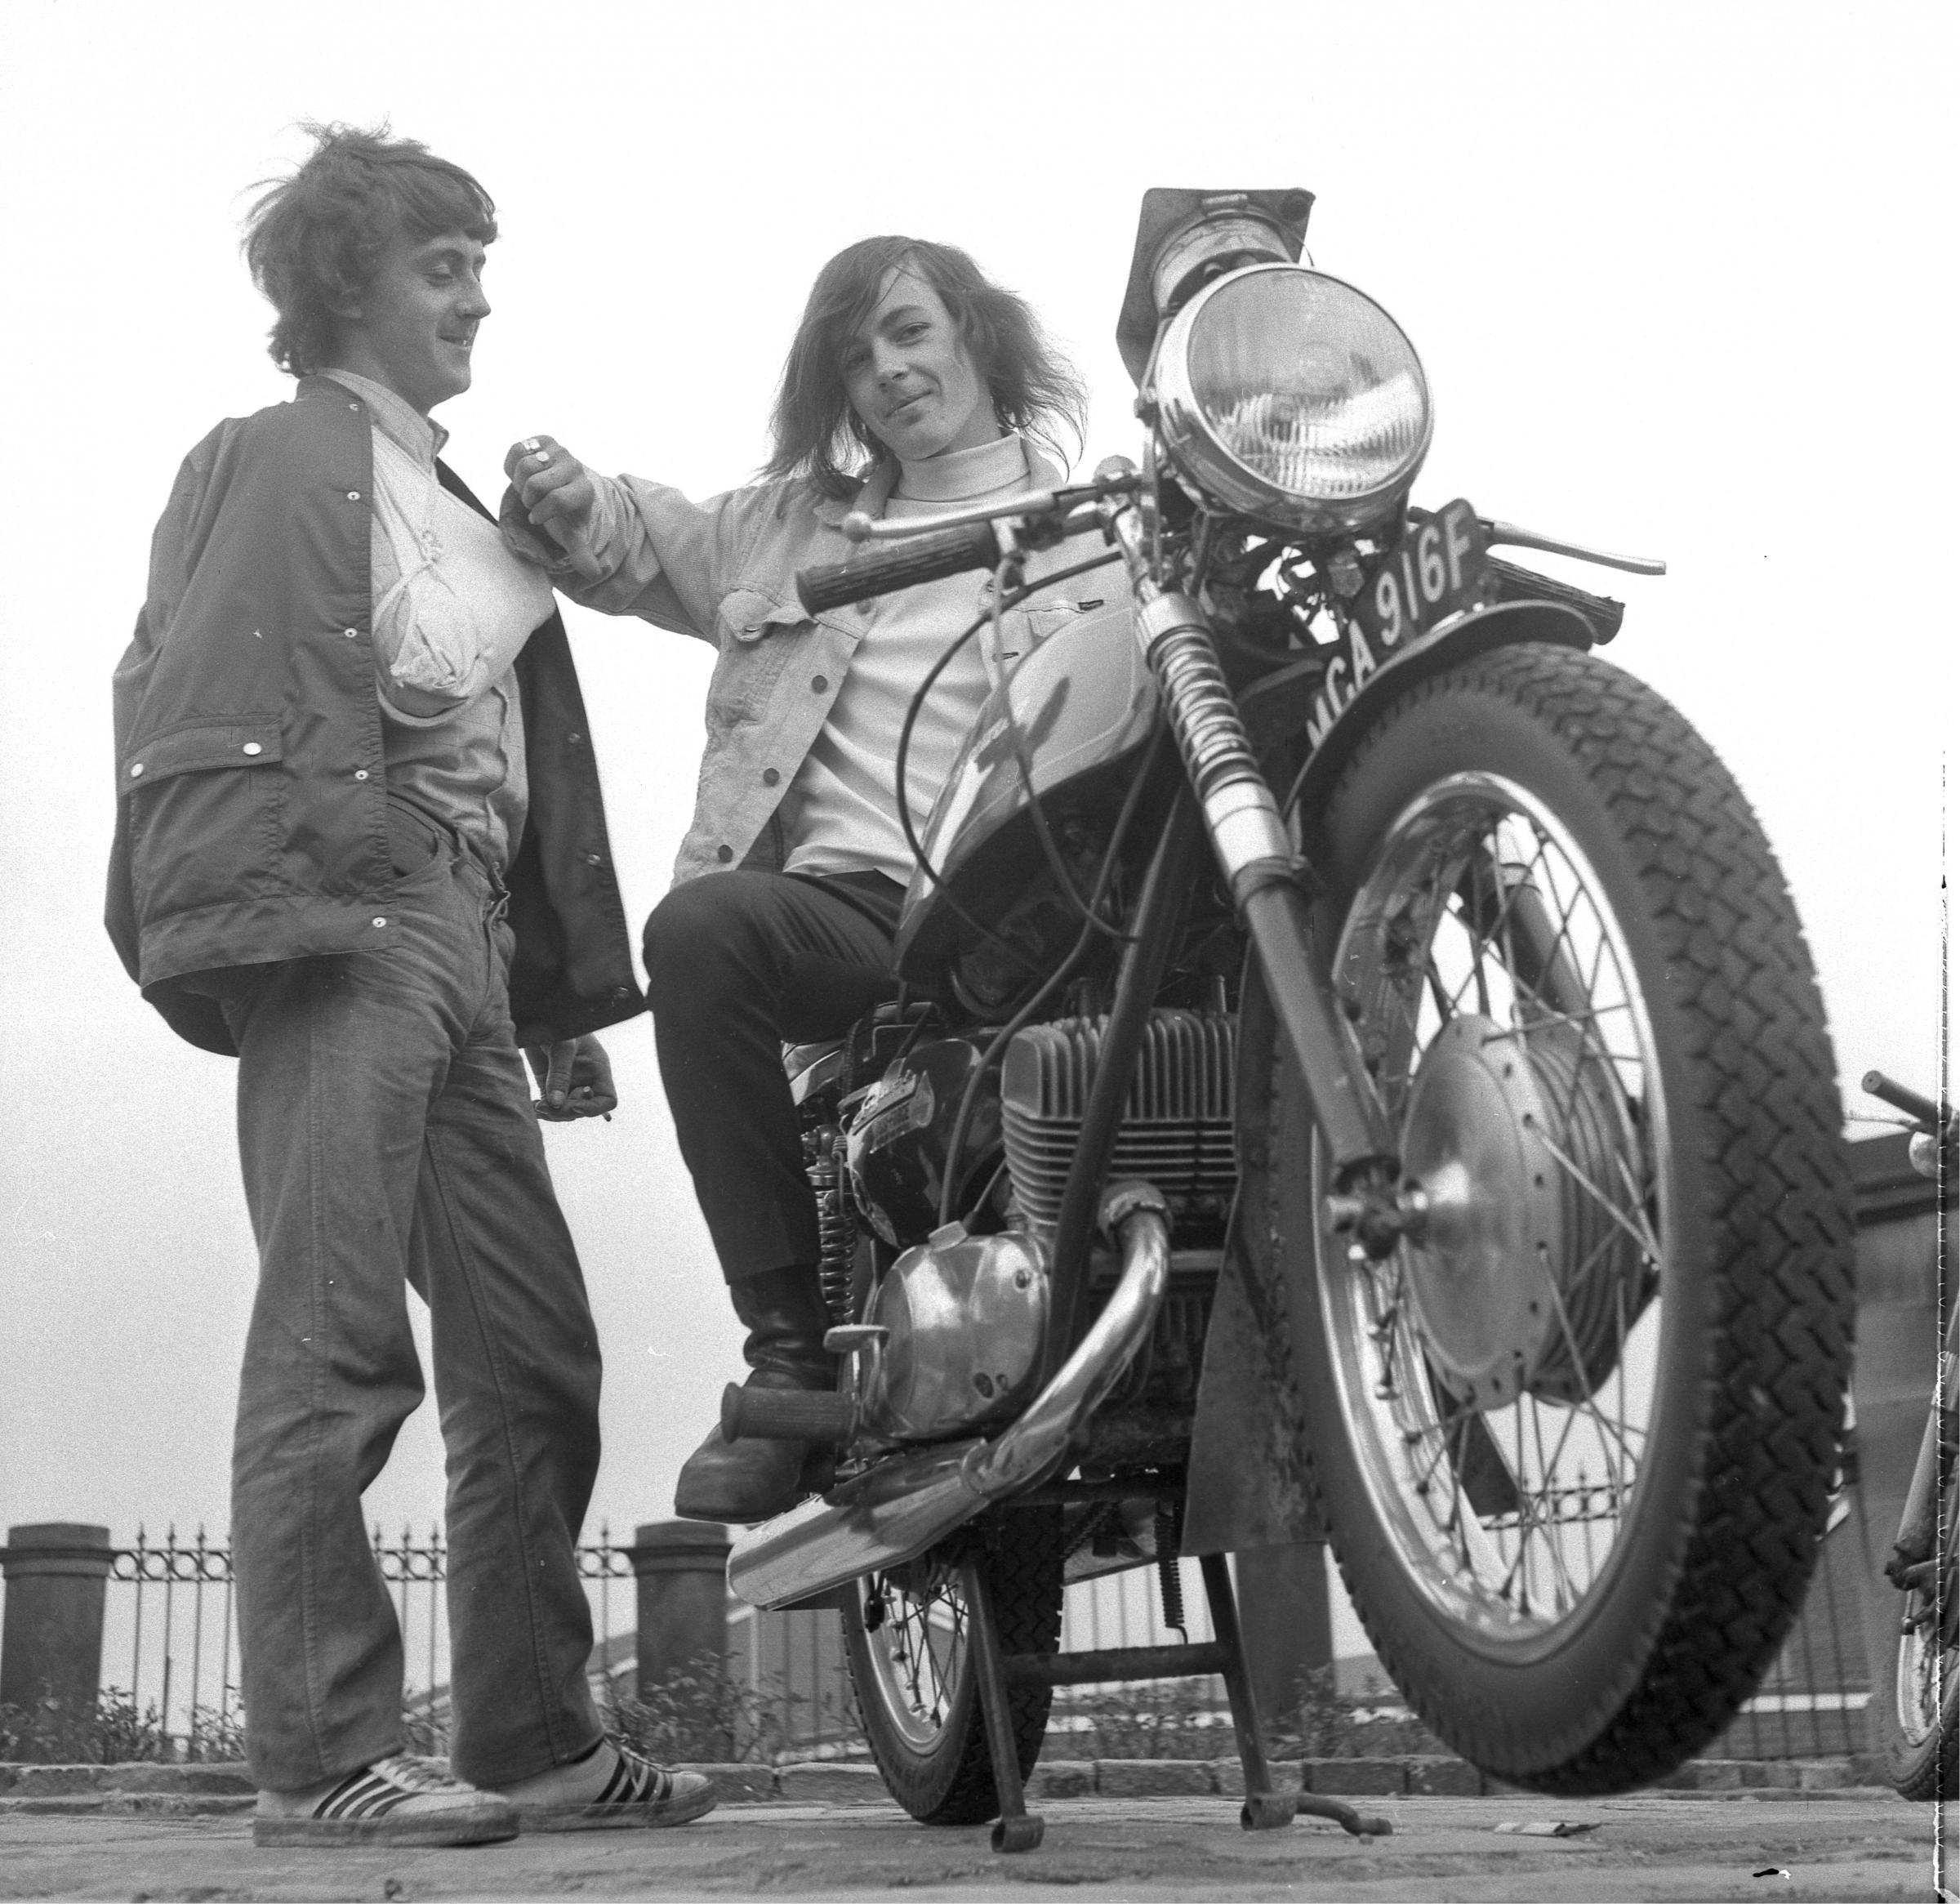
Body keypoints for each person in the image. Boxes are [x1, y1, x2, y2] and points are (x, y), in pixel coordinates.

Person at [105, 125, 714, 1848]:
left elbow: (491, 750)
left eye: (476, 262)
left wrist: (533, 992)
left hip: (461, 941)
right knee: (336, 1334)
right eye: (443, 264)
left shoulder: (454, 500)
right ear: (347, 281)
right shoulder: (265, 454)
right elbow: (180, 703)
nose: (478, 294)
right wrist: (273, 914)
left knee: (535, 1347)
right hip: (346, 922)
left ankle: (531, 1731)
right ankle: (317, 1755)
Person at [501, 237, 1095, 1524]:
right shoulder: (798, 528)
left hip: (1034, 912)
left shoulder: (1095, 537)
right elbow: (645, 543)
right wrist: (566, 492)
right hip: (859, 918)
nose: (884, 372)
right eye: (855, 357)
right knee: (702, 932)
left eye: (907, 333)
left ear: (977, 338)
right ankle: (788, 1352)